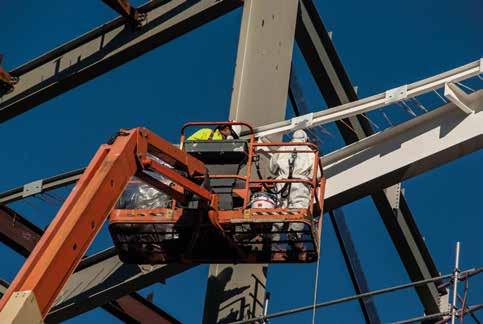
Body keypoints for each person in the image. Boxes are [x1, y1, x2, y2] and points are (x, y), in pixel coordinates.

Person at [269, 129, 314, 256]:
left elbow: (272, 168)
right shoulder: (310, 152)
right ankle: (294, 234)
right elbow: (316, 175)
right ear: (305, 139)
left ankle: (273, 238)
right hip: (300, 183)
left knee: (279, 209)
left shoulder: (283, 148)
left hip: (281, 182)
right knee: (298, 209)